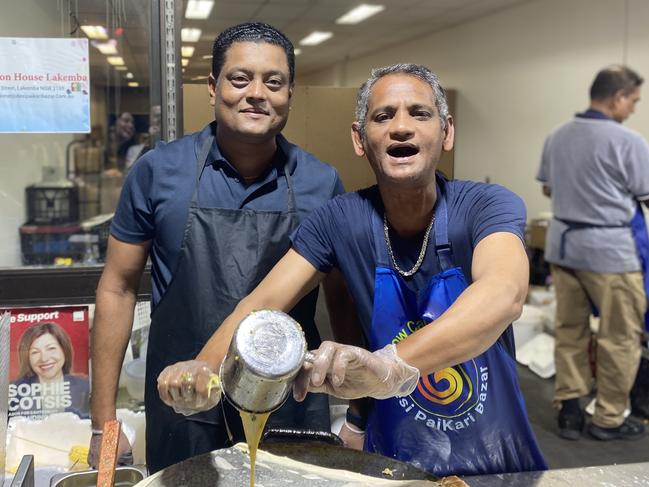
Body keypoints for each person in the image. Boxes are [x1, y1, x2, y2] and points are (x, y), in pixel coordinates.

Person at [159, 63, 548, 476]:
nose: (401, 128)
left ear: (446, 132)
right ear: (360, 139)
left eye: (419, 113)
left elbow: (503, 294)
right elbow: (260, 305)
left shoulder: (487, 206)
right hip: (393, 464)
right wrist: (202, 367)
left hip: (501, 465)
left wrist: (388, 367)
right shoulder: (339, 221)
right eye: (383, 116)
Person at [88, 22, 353, 473]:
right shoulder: (158, 172)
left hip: (289, 402)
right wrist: (103, 426)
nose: (257, 93)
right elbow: (117, 289)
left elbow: (342, 299)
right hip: (183, 402)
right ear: (213, 87)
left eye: (274, 82)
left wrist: (359, 414)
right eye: (239, 78)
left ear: (289, 93)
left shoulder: (320, 182)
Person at [536, 65, 649, 441]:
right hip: (611, 255)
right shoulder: (628, 141)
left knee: (571, 330)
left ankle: (569, 410)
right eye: (633, 100)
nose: (632, 108)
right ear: (618, 97)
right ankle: (609, 419)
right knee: (619, 337)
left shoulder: (556, 136)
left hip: (565, 248)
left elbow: (549, 190)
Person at [10, 322, 89, 420]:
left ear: (64, 349)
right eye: (35, 352)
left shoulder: (85, 387)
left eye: (51, 348)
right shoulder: (14, 392)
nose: (44, 358)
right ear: (27, 358)